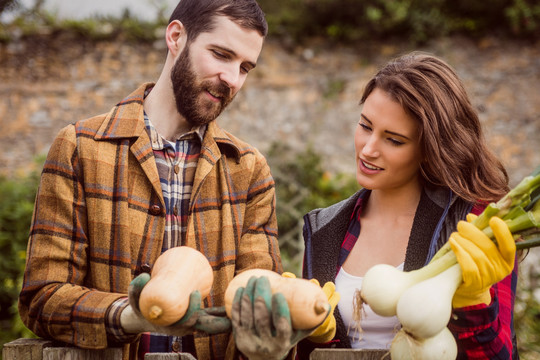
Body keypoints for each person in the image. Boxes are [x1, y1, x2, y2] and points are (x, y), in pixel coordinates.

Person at [18, 1, 285, 359]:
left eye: (245, 67)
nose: (233, 79)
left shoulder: (249, 170)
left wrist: (266, 337)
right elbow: (42, 297)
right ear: (176, 37)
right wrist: (131, 315)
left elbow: (259, 295)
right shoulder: (80, 148)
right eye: (221, 55)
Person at [296, 52, 519, 359]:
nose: (368, 149)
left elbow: (501, 356)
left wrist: (474, 308)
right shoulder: (324, 229)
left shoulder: (472, 222)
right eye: (365, 125)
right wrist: (311, 334)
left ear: (430, 148)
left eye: (394, 140)